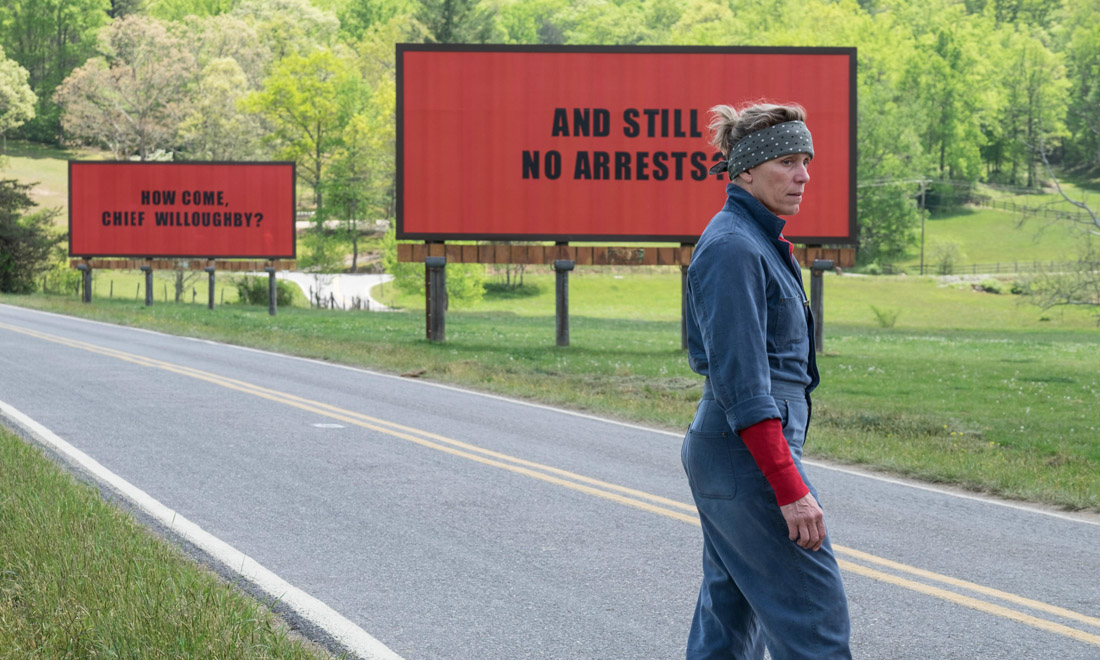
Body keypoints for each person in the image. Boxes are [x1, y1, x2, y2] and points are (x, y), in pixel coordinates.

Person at [681, 102, 852, 659]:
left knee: (729, 617)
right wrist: (790, 488)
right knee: (813, 620)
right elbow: (744, 387)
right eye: (786, 161)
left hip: (735, 452)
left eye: (805, 160)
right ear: (745, 171)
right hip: (746, 452)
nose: (803, 175)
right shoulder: (734, 247)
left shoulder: (754, 239)